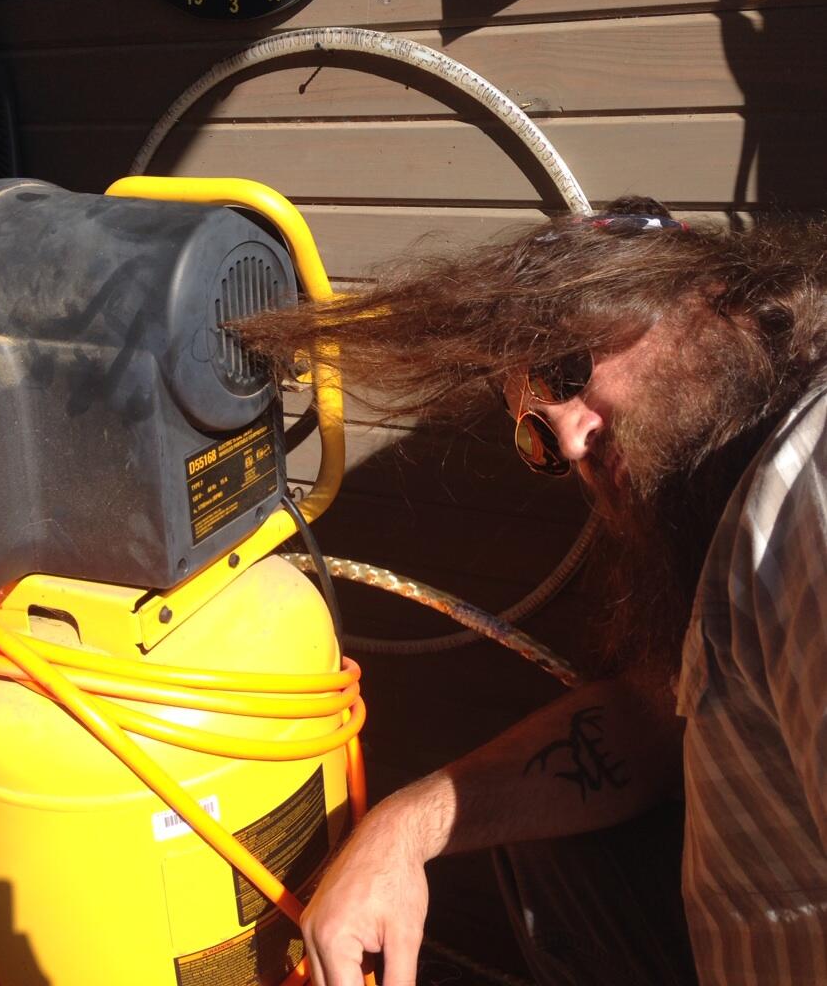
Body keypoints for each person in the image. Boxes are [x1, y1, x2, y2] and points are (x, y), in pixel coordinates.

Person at [238, 198, 827, 986]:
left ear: (699, 289)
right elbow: (657, 720)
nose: (573, 440)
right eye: (538, 439)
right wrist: (403, 827)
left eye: (566, 370)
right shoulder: (735, 513)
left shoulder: (805, 492)